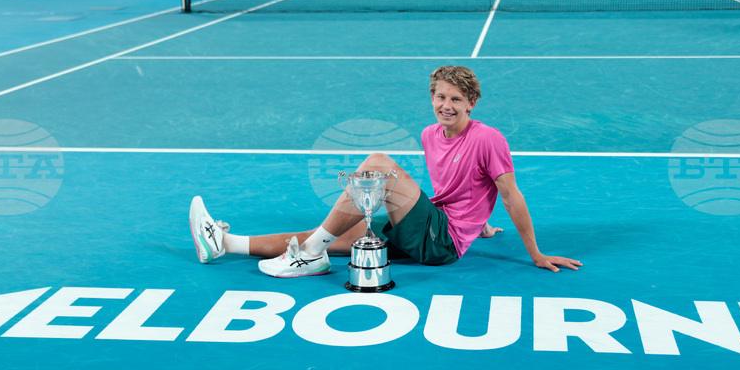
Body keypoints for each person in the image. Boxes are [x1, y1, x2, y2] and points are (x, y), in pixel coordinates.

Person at [189, 65, 582, 277]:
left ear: (472, 103)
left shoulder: (488, 138)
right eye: (440, 96)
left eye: (456, 99)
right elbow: (461, 188)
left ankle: (310, 255)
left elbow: (510, 194)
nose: (447, 105)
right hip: (432, 226)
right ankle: (226, 244)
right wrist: (478, 223)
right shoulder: (431, 134)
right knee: (328, 232)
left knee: (377, 164)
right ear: (432, 97)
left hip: (441, 244)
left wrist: (535, 252)